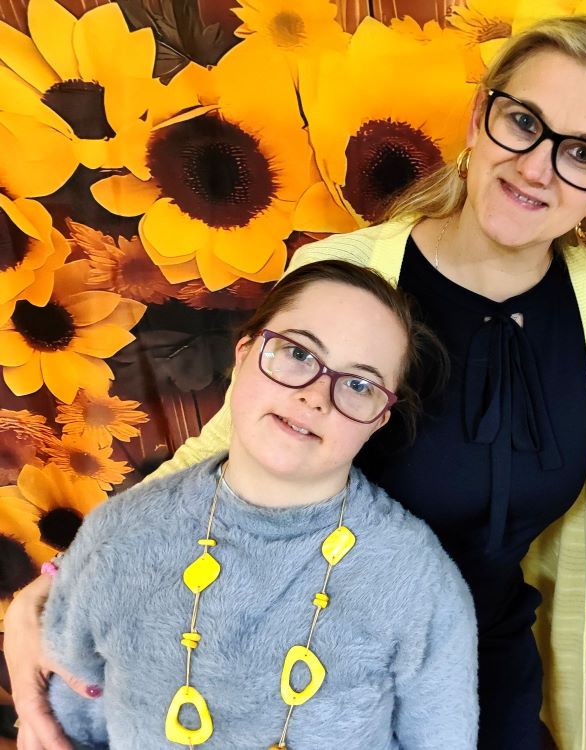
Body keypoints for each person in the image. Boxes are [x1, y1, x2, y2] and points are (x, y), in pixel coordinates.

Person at [4, 17, 586, 750]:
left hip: (496, 674)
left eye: (582, 153)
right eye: (524, 123)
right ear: (483, 116)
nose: (538, 166)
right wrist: (57, 587)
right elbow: (217, 458)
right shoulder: (347, 274)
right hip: (312, 669)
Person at [38, 259, 477, 749]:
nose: (316, 396)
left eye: (359, 384)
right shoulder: (117, 536)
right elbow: (75, 722)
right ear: (244, 353)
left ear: (379, 420)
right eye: (298, 353)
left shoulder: (417, 580)